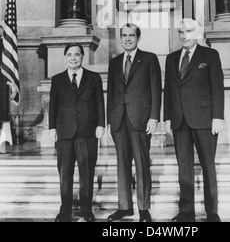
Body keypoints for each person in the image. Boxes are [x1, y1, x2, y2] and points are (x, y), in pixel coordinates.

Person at [164, 19, 224, 223]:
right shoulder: (171, 59)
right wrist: (166, 118)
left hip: (205, 120)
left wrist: (218, 117)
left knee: (208, 166)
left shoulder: (210, 55)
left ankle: (212, 211)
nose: (184, 35)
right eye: (181, 31)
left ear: (197, 33)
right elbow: (169, 91)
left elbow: (217, 87)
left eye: (188, 31)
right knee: (184, 168)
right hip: (179, 121)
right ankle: (186, 211)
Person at [107, 24, 162, 223]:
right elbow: (112, 93)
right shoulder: (114, 63)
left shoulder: (149, 58)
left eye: (131, 35)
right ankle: (124, 207)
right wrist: (109, 121)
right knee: (122, 164)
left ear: (138, 38)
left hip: (140, 119)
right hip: (119, 120)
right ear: (120, 38)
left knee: (141, 163)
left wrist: (154, 117)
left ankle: (143, 208)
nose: (127, 39)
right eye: (124, 35)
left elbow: (156, 88)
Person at [49, 44, 105, 223]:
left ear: (82, 57)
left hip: (87, 132)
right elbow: (53, 105)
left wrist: (101, 124)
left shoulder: (94, 78)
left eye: (77, 55)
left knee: (86, 173)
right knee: (65, 173)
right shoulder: (57, 79)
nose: (73, 58)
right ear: (65, 57)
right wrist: (51, 128)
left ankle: (86, 211)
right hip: (64, 132)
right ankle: (64, 211)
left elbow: (99, 103)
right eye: (70, 55)